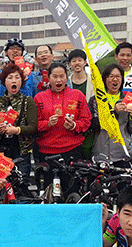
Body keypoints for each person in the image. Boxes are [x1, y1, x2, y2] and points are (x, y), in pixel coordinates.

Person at [34, 62, 93, 192]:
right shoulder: (39, 98)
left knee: (72, 190)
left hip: (72, 149)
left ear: (67, 77)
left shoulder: (78, 95)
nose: (58, 80)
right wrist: (47, 124)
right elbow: (34, 124)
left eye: (62, 76)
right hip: (47, 151)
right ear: (48, 78)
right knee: (49, 191)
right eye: (55, 76)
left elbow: (87, 120)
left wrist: (74, 125)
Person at [0, 63, 38, 182]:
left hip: (21, 151)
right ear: (4, 82)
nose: (14, 81)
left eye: (17, 77)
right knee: (2, 184)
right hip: (2, 149)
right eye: (10, 77)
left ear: (22, 81)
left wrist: (17, 130)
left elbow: (33, 127)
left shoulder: (28, 101)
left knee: (21, 183)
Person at [92, 64, 132, 166]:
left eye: (118, 76)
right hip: (101, 152)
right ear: (105, 79)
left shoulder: (127, 99)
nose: (115, 79)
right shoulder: (97, 100)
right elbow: (94, 125)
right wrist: (113, 112)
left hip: (122, 152)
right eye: (111, 76)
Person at [66, 49, 100, 159]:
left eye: (80, 60)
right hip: (72, 124)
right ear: (70, 64)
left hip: (90, 124)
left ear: (85, 62)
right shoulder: (67, 82)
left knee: (88, 153)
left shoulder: (94, 81)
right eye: (74, 61)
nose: (77, 63)